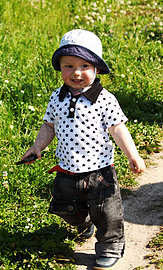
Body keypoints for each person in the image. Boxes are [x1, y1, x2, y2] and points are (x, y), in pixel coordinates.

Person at [21, 29, 146, 269]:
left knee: (108, 213)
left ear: (97, 69)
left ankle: (110, 246)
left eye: (84, 65)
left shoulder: (104, 99)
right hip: (66, 171)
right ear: (59, 67)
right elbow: (49, 125)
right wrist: (37, 146)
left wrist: (133, 154)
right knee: (63, 207)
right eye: (68, 66)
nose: (76, 72)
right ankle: (84, 222)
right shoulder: (56, 97)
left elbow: (118, 129)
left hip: (99, 173)